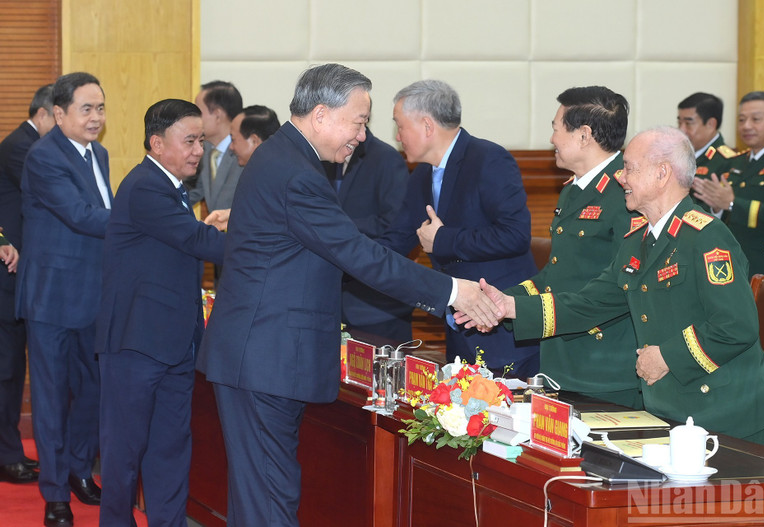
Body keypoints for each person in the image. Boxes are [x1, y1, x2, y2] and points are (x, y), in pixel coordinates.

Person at [196, 63, 501, 527]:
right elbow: (362, 256)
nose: (363, 135)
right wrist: (453, 291)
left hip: (260, 358)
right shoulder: (295, 174)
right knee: (270, 501)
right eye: (359, 122)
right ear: (321, 115)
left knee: (258, 497)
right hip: (264, 361)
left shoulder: (285, 158)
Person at [458, 127, 764, 446]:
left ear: (662, 174)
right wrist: (509, 306)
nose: (620, 178)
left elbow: (736, 327)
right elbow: (591, 303)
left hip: (726, 417)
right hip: (670, 410)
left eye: (629, 168)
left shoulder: (707, 236)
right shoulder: (638, 240)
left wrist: (666, 356)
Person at [95, 99, 226, 527]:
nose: (197, 150)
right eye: (189, 140)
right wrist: (255, 231)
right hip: (135, 344)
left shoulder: (173, 187)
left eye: (201, 140)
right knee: (123, 453)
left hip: (171, 344)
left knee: (170, 449)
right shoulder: (146, 185)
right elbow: (198, 242)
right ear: (157, 142)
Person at [381, 79, 539, 378]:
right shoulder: (421, 175)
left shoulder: (489, 159)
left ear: (427, 126)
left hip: (502, 330)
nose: (398, 137)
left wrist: (443, 239)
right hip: (459, 331)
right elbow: (394, 242)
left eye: (400, 126)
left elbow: (515, 235)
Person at [16, 72, 111, 527]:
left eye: (101, 108)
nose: (96, 118)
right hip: (53, 298)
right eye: (86, 109)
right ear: (59, 113)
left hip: (94, 294)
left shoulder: (102, 154)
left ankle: (78, 470)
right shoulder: (43, 157)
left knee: (93, 391)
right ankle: (55, 494)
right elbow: (80, 216)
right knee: (52, 399)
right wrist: (141, 220)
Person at [518, 86, 641, 407]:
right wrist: (499, 300)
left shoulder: (628, 194)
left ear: (584, 135)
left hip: (605, 366)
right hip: (563, 358)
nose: (552, 139)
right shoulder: (574, 191)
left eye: (556, 128)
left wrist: (526, 312)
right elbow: (560, 273)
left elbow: (623, 286)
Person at [0, 83, 54, 484]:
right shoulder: (23, 146)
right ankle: (6, 454)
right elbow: (52, 194)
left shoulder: (28, 143)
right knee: (6, 369)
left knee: (14, 369)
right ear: (46, 114)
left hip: (19, 277)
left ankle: (10, 451)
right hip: (7, 276)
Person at [324, 126, 414, 343]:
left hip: (377, 307)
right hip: (331, 302)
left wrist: (338, 227)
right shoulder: (324, 159)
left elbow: (395, 223)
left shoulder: (386, 159)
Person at [692, 91, 764, 279]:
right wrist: (716, 206)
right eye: (741, 120)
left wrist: (731, 204)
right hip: (735, 262)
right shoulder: (735, 163)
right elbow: (723, 216)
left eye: (756, 119)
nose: (746, 126)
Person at [187, 80, 244, 213]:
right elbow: (196, 191)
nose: (193, 118)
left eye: (198, 112)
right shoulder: (205, 150)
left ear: (218, 115)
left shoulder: (245, 153)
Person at [677, 92, 737, 213]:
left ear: (711, 124)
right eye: (679, 122)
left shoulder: (728, 162)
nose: (681, 129)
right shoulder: (678, 155)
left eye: (688, 123)